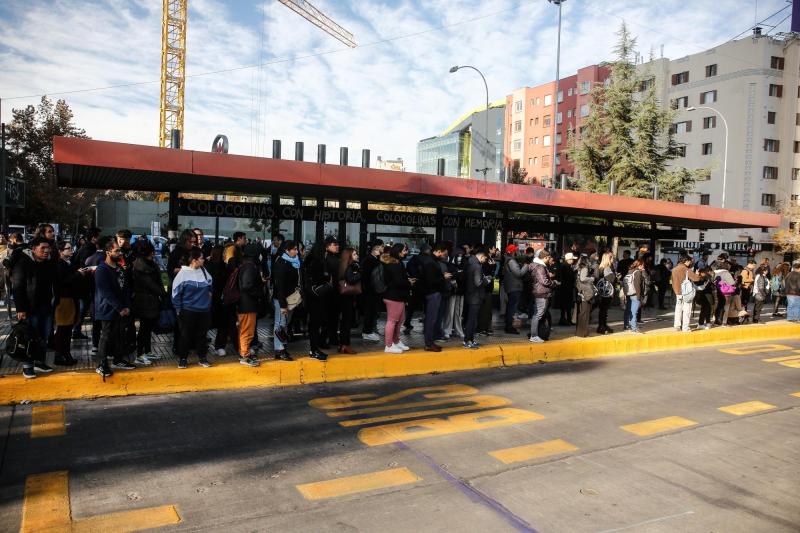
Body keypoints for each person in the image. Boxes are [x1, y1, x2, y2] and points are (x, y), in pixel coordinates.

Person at [10, 237, 57, 378]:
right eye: (42, 248)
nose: (46, 251)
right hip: (30, 308)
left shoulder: (49, 263)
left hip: (47, 306)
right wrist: (21, 309)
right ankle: (28, 366)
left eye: (47, 248)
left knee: (44, 336)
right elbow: (17, 287)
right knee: (29, 337)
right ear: (33, 248)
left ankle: (39, 362)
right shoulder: (23, 263)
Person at [94, 239, 136, 377]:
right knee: (106, 336)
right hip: (107, 310)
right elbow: (106, 292)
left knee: (120, 335)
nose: (120, 253)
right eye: (116, 250)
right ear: (108, 252)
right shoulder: (102, 270)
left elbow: (126, 289)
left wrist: (127, 306)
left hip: (122, 310)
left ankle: (118, 359)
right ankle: (102, 364)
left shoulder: (119, 268)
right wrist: (120, 307)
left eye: (120, 250)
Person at [172, 248, 213, 369]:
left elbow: (210, 284)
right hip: (188, 311)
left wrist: (209, 297)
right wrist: (178, 309)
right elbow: (175, 293)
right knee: (185, 336)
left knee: (202, 335)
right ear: (194, 260)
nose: (203, 260)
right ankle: (183, 359)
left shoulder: (204, 271)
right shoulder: (183, 274)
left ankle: (202, 358)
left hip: (204, 311)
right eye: (201, 258)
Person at [131, 241, 167, 365]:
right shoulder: (140, 266)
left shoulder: (149, 263)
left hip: (151, 301)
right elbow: (150, 284)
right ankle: (140, 355)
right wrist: (163, 293)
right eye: (152, 252)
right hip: (144, 302)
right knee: (144, 329)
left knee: (147, 328)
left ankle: (148, 351)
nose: (153, 253)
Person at [303, 240, 334, 361]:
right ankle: (313, 350)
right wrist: (327, 278)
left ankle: (314, 349)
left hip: (312, 297)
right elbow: (318, 278)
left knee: (314, 324)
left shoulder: (309, 261)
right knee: (315, 324)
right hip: (316, 297)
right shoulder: (317, 262)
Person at [417, 243, 451, 352]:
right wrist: (443, 277)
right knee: (431, 319)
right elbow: (431, 281)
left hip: (432, 293)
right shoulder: (431, 262)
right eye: (443, 253)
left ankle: (430, 342)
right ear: (438, 251)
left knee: (431, 319)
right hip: (433, 294)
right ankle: (429, 343)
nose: (444, 255)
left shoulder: (431, 261)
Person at [53, 241, 82, 366]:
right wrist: (78, 274)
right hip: (64, 299)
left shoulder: (67, 263)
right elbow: (62, 281)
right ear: (60, 251)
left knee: (67, 328)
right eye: (68, 248)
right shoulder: (59, 264)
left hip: (69, 298)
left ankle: (64, 353)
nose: (71, 250)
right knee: (63, 329)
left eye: (71, 248)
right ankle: (61, 355)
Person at [380, 243, 413, 353]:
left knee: (400, 320)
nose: (406, 252)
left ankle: (396, 341)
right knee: (392, 321)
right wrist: (409, 283)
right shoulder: (395, 264)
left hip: (396, 296)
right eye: (404, 250)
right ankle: (389, 345)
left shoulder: (395, 263)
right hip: (394, 296)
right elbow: (398, 281)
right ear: (398, 252)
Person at [271, 240, 301, 361]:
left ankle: (282, 346)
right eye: (293, 249)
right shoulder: (282, 262)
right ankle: (279, 350)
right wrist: (283, 305)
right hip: (282, 299)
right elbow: (280, 286)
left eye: (296, 249)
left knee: (285, 323)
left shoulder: (295, 261)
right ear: (287, 250)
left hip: (292, 298)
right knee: (280, 323)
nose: (296, 251)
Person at [236, 244, 264, 366]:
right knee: (247, 331)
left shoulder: (245, 265)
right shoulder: (250, 267)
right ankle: (244, 356)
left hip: (246, 304)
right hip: (248, 304)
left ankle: (244, 353)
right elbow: (247, 285)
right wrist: (258, 292)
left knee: (247, 331)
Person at [463, 247, 490, 349]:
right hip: (476, 296)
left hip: (470, 295)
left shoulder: (470, 263)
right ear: (482, 256)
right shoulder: (477, 266)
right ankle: (468, 340)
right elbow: (478, 282)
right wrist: (486, 281)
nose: (484, 261)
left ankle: (469, 339)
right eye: (485, 259)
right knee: (472, 320)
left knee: (471, 319)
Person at [337, 247, 361, 354]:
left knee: (344, 322)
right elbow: (350, 279)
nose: (357, 256)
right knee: (347, 322)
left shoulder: (343, 266)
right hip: (348, 297)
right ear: (349, 256)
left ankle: (343, 345)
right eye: (355, 254)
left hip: (344, 297)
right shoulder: (350, 267)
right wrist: (360, 274)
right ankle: (345, 345)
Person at [529, 250, 555, 343]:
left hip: (539, 292)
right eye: (549, 258)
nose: (549, 260)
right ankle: (534, 335)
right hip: (541, 293)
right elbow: (544, 281)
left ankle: (534, 334)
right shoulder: (540, 267)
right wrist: (553, 282)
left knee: (537, 314)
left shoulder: (536, 265)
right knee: (538, 315)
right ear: (546, 257)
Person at [360, 240, 384, 341]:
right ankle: (367, 332)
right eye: (382, 246)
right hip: (370, 291)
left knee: (372, 311)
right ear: (377, 247)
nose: (383, 248)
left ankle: (369, 330)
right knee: (370, 311)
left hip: (371, 291)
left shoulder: (373, 259)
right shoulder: (370, 260)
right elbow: (368, 277)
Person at [671, 254, 701, 332]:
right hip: (686, 293)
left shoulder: (674, 269)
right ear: (686, 261)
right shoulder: (686, 269)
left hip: (677, 293)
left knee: (678, 309)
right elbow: (696, 279)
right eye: (689, 262)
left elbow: (673, 281)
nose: (690, 263)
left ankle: (677, 326)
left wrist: (676, 291)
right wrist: (697, 274)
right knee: (687, 310)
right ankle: (685, 327)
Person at [502, 245, 525, 334]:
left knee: (511, 306)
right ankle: (509, 327)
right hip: (514, 287)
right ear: (512, 252)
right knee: (512, 307)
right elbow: (518, 273)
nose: (518, 252)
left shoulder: (508, 260)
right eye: (516, 251)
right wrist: (526, 267)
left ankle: (508, 326)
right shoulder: (511, 261)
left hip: (512, 287)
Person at [322, 236, 341, 347]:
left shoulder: (332, 258)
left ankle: (332, 338)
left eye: (337, 244)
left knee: (333, 318)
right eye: (335, 245)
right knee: (330, 318)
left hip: (332, 292)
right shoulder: (330, 259)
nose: (337, 246)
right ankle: (326, 339)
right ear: (327, 246)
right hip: (331, 293)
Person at [575, 255, 595, 338]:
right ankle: (583, 332)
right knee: (585, 312)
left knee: (583, 312)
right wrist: (591, 279)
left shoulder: (579, 268)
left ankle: (580, 332)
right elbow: (583, 279)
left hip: (581, 292)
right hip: (586, 293)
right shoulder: (585, 268)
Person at [623, 260, 646, 333]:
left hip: (629, 293)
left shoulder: (630, 271)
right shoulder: (638, 272)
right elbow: (637, 285)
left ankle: (626, 325)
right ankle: (634, 328)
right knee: (634, 311)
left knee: (628, 310)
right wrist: (639, 297)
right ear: (639, 265)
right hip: (635, 294)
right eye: (642, 265)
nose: (643, 266)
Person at [596, 251, 615, 334]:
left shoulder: (601, 267)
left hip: (603, 292)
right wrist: (615, 278)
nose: (613, 259)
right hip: (606, 293)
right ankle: (601, 326)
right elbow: (610, 280)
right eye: (612, 257)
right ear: (609, 258)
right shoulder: (607, 268)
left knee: (603, 310)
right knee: (604, 310)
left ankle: (603, 325)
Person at [556, 252, 577, 325]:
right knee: (566, 305)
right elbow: (569, 278)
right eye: (572, 259)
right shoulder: (566, 267)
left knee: (565, 306)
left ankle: (566, 319)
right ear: (569, 259)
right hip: (566, 289)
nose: (573, 261)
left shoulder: (565, 266)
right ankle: (566, 319)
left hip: (565, 288)